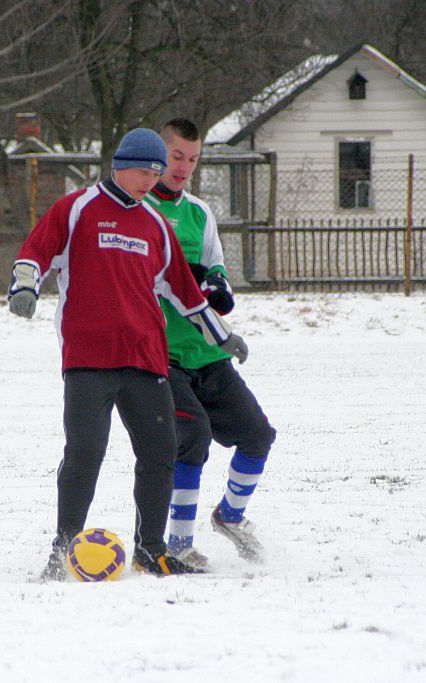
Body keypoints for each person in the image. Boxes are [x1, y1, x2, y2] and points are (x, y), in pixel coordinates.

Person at [7, 127, 248, 579]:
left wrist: (221, 336)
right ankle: (62, 552)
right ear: (120, 165)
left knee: (161, 452)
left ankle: (150, 551)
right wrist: (24, 286)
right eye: (143, 170)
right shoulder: (77, 208)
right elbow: (36, 252)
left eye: (157, 171)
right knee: (85, 452)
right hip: (89, 360)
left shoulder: (155, 224)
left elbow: (186, 294)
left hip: (145, 360)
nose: (149, 179)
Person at [143, 118, 276, 569]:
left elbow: (214, 268)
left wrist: (218, 286)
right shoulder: (139, 210)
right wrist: (193, 279)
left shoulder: (199, 213)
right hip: (162, 354)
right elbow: (151, 275)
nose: (183, 167)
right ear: (158, 156)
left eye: (193, 159)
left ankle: (230, 517)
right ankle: (179, 544)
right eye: (176, 156)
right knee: (192, 436)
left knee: (259, 435)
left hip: (208, 351)